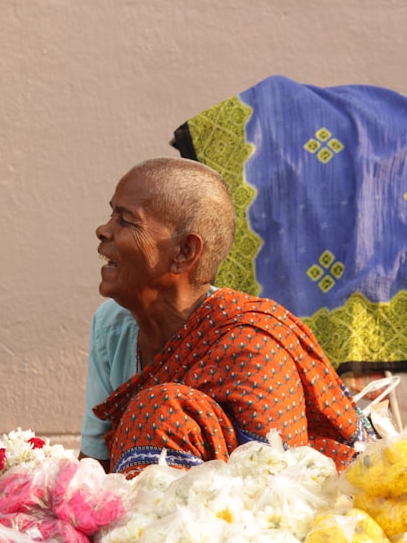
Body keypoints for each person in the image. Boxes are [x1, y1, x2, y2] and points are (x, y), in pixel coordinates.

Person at [80, 157, 372, 478]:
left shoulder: (252, 343)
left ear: (184, 252)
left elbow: (280, 487)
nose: (103, 230)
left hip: (247, 518)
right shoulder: (111, 324)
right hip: (146, 520)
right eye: (111, 215)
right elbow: (94, 466)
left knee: (161, 410)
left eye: (126, 221)